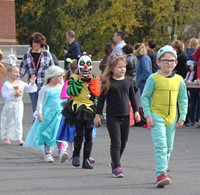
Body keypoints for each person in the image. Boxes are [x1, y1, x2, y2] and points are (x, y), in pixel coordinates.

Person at [141, 45, 188, 188]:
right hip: (157, 116)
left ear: (176, 63)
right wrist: (148, 115)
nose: (169, 63)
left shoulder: (179, 80)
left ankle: (164, 170)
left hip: (172, 118)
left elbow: (183, 99)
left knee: (169, 147)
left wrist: (182, 116)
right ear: (158, 62)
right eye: (165, 60)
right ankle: (161, 173)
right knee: (161, 145)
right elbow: (145, 97)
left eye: (172, 60)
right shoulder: (153, 78)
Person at [93, 54, 141, 178]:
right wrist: (97, 115)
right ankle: (117, 167)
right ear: (112, 68)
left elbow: (132, 97)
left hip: (125, 115)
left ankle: (114, 161)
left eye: (124, 67)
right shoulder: (107, 82)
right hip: (112, 116)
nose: (123, 69)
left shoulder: (128, 80)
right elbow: (101, 100)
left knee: (123, 142)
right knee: (116, 142)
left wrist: (136, 111)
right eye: (119, 67)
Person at [61, 53, 100, 169]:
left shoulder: (94, 78)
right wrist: (79, 81)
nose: (85, 70)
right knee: (79, 133)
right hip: (78, 108)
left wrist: (91, 82)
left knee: (89, 134)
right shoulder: (73, 77)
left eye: (88, 66)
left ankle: (86, 159)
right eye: (83, 66)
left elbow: (97, 93)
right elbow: (71, 92)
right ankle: (76, 156)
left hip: (90, 108)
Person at [24, 65, 69, 163]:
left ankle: (62, 151)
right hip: (48, 114)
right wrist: (39, 113)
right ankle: (48, 153)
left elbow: (65, 99)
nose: (61, 78)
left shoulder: (62, 87)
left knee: (59, 131)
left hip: (60, 113)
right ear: (52, 77)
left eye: (61, 76)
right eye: (59, 76)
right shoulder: (45, 89)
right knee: (48, 133)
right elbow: (40, 102)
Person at [1, 58, 37, 145]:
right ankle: (6, 136)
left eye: (18, 72)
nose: (18, 73)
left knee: (18, 119)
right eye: (15, 72)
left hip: (19, 104)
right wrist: (14, 93)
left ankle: (19, 138)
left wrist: (32, 83)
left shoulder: (21, 83)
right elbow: (5, 96)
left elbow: (30, 89)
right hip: (9, 104)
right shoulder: (7, 84)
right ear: (10, 74)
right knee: (8, 120)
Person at [20, 32, 54, 113]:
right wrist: (16, 82)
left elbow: (52, 69)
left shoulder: (46, 54)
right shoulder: (27, 55)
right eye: (34, 42)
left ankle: (42, 125)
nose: (35, 44)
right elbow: (21, 71)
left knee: (44, 108)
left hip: (44, 84)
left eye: (37, 42)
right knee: (35, 109)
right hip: (32, 86)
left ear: (41, 43)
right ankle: (36, 124)